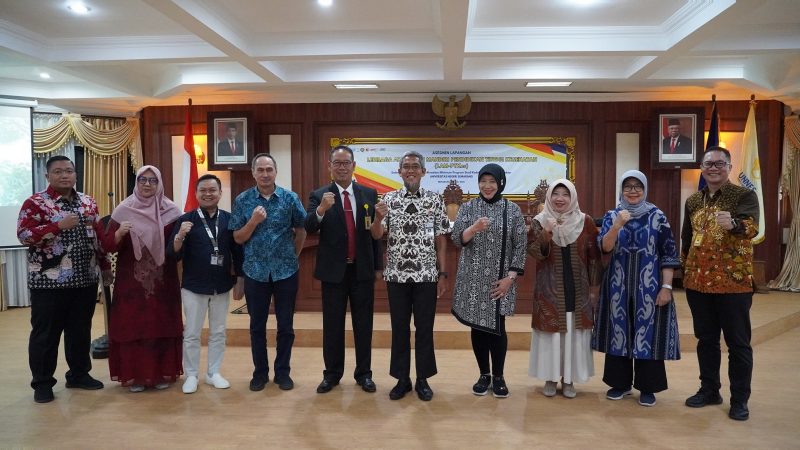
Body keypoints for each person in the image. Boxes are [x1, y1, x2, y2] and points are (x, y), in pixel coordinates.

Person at [17, 155, 110, 403]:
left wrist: (105, 266)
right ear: (48, 176)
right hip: (49, 283)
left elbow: (97, 239)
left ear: (75, 175)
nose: (64, 175)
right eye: (58, 171)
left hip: (85, 280)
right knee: (46, 335)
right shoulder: (36, 203)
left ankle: (79, 374)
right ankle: (43, 383)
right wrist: (57, 226)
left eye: (69, 171)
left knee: (80, 332)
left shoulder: (88, 203)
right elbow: (24, 235)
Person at [681, 147, 759, 421]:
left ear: (728, 165)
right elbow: (686, 239)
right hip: (698, 284)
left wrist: (734, 224)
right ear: (702, 167)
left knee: (738, 343)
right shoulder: (693, 201)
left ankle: (740, 400)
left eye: (719, 163)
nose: (713, 168)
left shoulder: (744, 195)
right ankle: (709, 389)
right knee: (706, 340)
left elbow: (753, 229)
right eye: (708, 164)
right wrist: (686, 272)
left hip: (732, 284)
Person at [592, 169, 681, 407]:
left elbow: (669, 254)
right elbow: (605, 248)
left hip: (649, 286)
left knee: (647, 333)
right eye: (628, 186)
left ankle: (647, 387)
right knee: (618, 331)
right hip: (617, 285)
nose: (633, 191)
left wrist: (666, 287)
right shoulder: (613, 215)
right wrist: (617, 225)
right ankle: (619, 383)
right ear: (621, 189)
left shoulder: (657, 216)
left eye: (637, 186)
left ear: (645, 189)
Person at [371, 151, 451, 401]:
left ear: (423, 172)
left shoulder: (435, 199)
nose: (410, 170)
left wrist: (443, 273)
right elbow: (375, 235)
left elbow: (441, 238)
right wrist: (378, 217)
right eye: (405, 166)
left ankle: (423, 379)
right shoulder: (389, 199)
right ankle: (402, 379)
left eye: (415, 166)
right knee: (399, 328)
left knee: (425, 328)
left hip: (427, 275)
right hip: (397, 276)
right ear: (400, 172)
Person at [305, 145, 382, 394]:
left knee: (364, 325)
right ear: (329, 166)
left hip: (362, 272)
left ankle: (364, 374)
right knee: (333, 325)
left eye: (346, 162)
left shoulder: (369, 194)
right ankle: (332, 375)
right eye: (336, 163)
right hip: (333, 273)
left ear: (353, 166)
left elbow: (374, 236)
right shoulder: (319, 195)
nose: (341, 167)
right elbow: (308, 227)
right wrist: (321, 211)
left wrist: (378, 266)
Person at [102, 165, 183, 392]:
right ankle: (135, 376)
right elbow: (107, 245)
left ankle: (162, 373)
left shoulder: (172, 211)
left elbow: (178, 249)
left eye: (153, 180)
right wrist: (118, 233)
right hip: (132, 284)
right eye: (142, 180)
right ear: (136, 183)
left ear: (160, 184)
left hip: (162, 282)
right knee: (133, 326)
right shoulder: (123, 211)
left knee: (161, 324)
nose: (147, 185)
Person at [230, 153, 306, 392]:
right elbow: (237, 237)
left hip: (286, 272)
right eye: (260, 170)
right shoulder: (243, 200)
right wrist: (253, 222)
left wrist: (293, 256)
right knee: (257, 326)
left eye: (269, 169)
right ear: (253, 173)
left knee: (285, 326)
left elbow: (301, 230)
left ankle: (283, 373)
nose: (265, 174)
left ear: (275, 172)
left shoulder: (290, 198)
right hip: (255, 272)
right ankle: (260, 373)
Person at [451, 164, 526, 398]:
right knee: (478, 328)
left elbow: (521, 245)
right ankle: (484, 374)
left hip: (500, 281)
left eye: (492, 181)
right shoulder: (468, 207)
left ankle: (499, 376)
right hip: (473, 280)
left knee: (497, 329)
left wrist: (510, 278)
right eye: (483, 181)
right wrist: (474, 228)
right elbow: (456, 239)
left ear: (501, 183)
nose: (487, 186)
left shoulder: (512, 209)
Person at [167, 174, 243, 394]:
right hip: (193, 286)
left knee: (218, 331)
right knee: (191, 332)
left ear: (220, 193)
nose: (208, 194)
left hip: (221, 285)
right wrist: (180, 236)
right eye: (203, 190)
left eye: (212, 190)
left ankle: (213, 373)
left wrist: (240, 278)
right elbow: (172, 253)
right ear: (196, 194)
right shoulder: (185, 220)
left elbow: (238, 252)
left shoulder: (230, 219)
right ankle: (191, 375)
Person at [528, 179, 601, 398]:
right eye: (556, 194)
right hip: (549, 290)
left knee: (574, 334)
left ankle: (568, 380)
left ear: (572, 197)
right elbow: (535, 253)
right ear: (549, 197)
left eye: (565, 194)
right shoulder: (539, 221)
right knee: (552, 336)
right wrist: (546, 233)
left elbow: (594, 257)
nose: (560, 198)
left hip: (578, 289)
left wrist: (594, 289)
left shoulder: (584, 221)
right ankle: (550, 378)